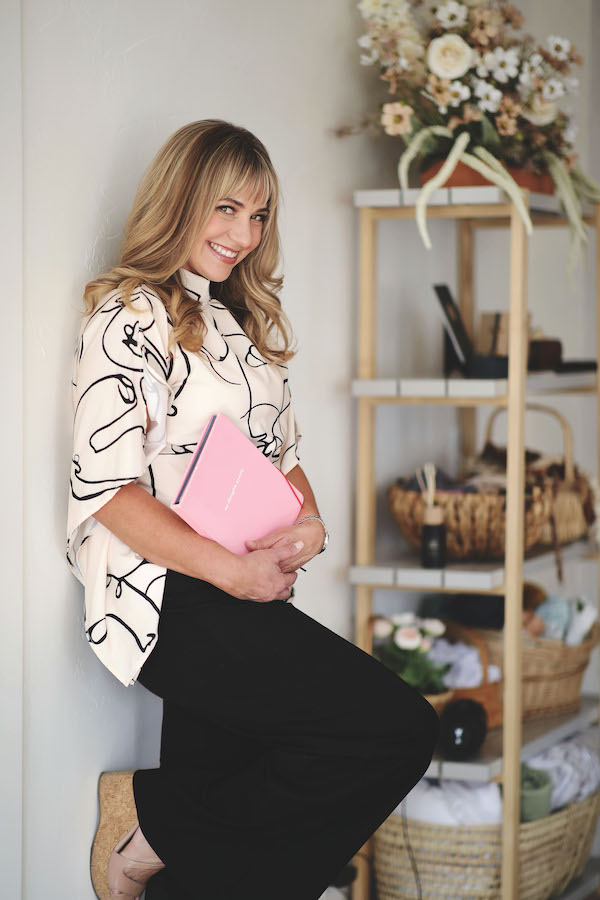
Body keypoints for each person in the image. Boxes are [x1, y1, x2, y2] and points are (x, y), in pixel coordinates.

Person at [66, 119, 439, 900]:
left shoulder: (242, 322)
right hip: (171, 595)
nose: (243, 234)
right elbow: (108, 491)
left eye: (259, 215)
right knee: (397, 730)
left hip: (244, 586)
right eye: (226, 209)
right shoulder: (128, 318)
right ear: (182, 201)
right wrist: (232, 574)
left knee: (238, 847)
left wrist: (310, 521)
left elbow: (283, 455)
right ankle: (151, 825)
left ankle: (167, 858)